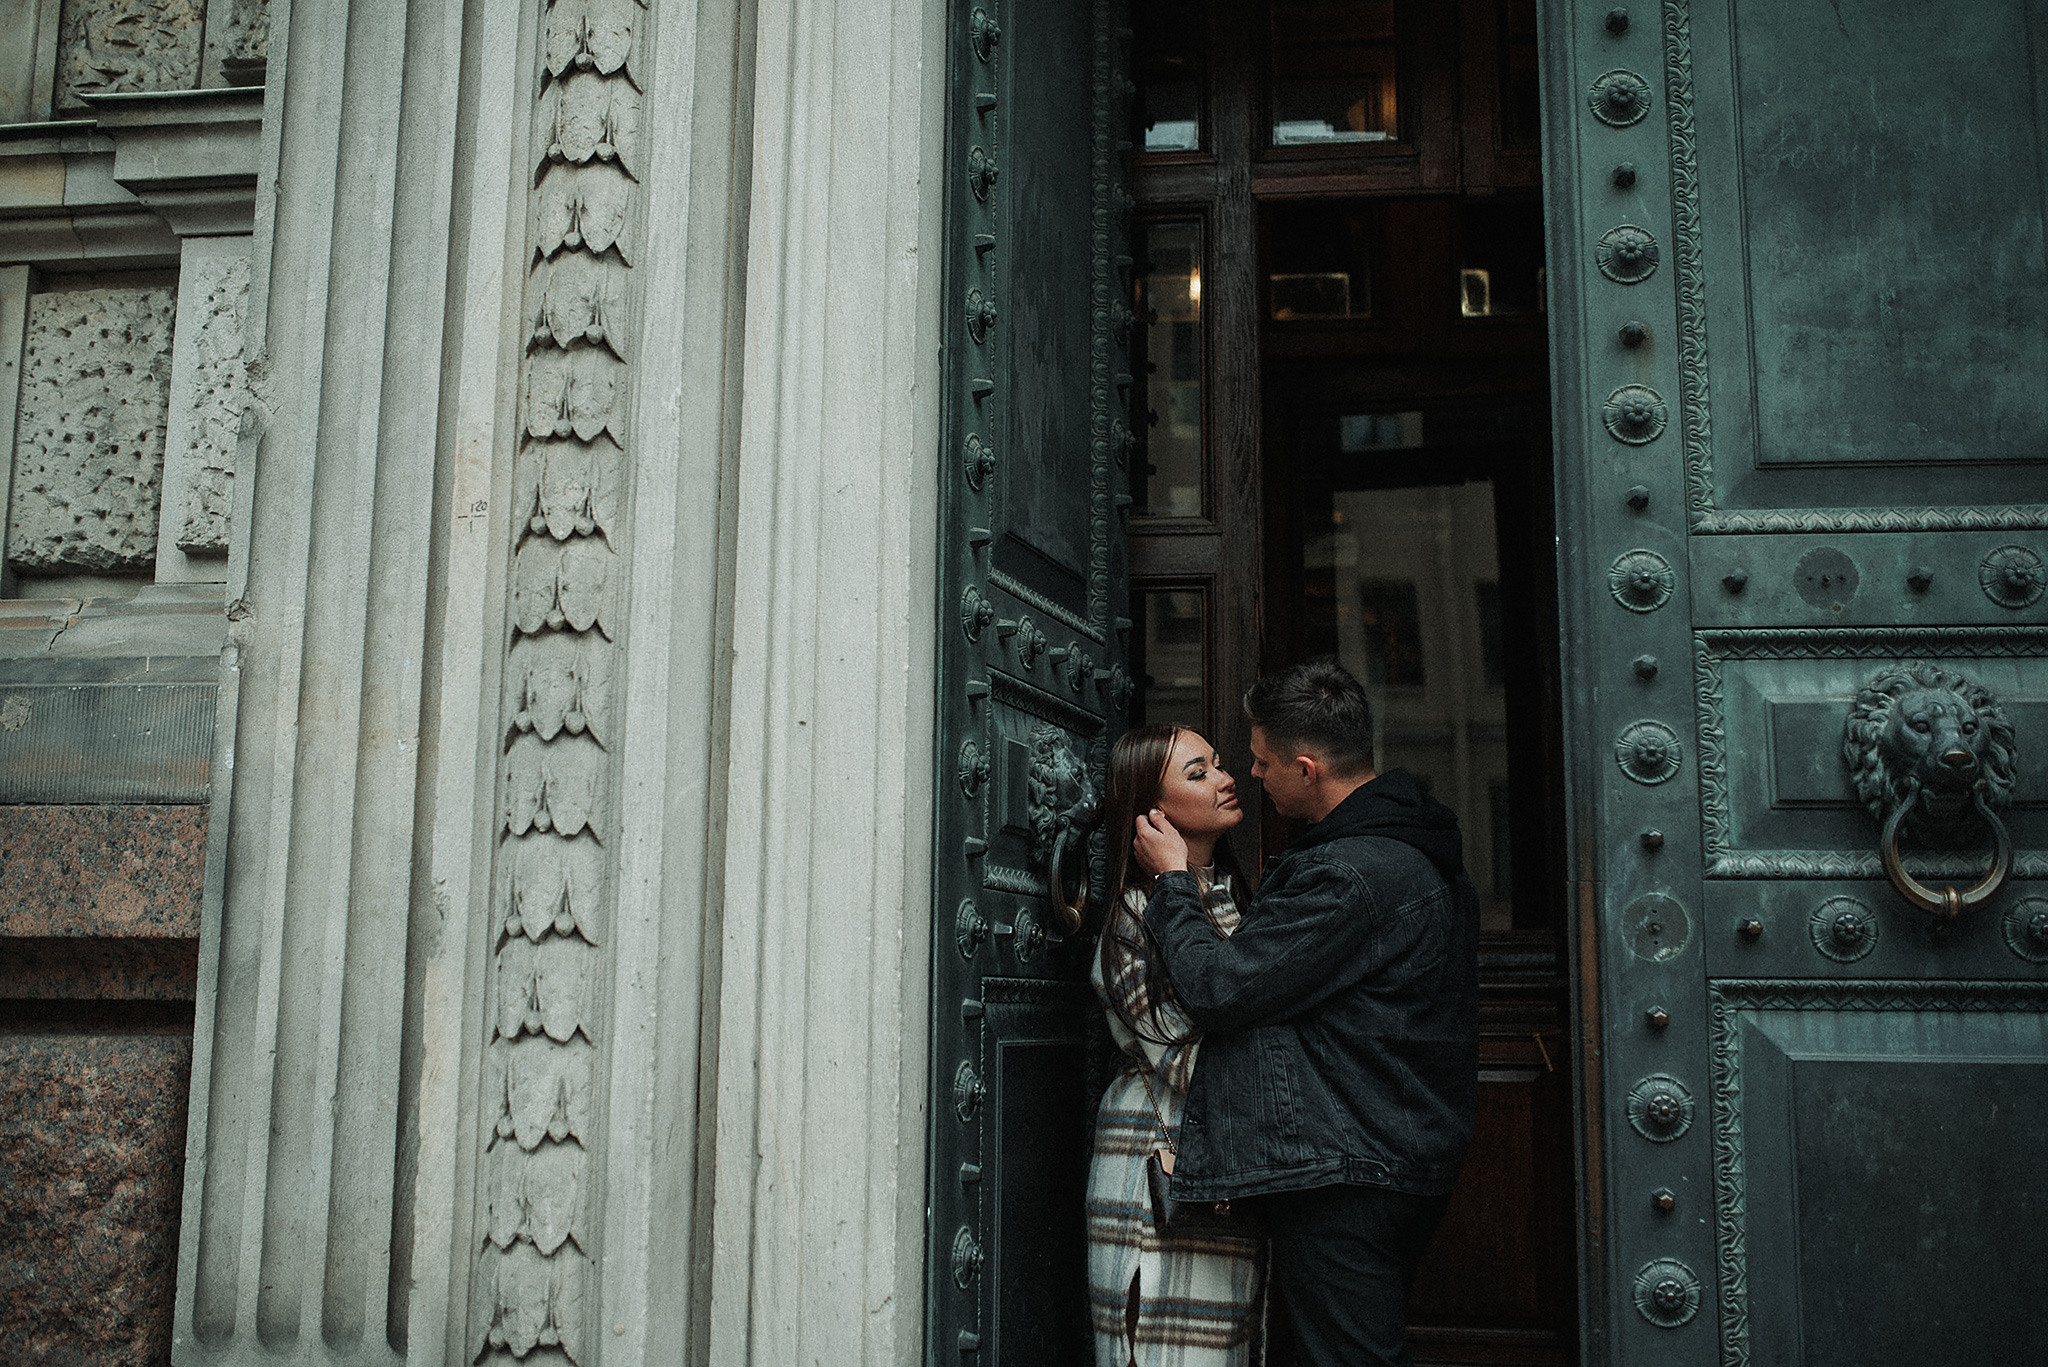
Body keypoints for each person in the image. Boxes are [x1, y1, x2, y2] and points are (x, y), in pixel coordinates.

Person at [1131, 658, 1480, 1367]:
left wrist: (1172, 881)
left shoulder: (1348, 874)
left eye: (1261, 762)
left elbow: (1220, 989)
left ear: (1308, 768)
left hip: (1349, 1170)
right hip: (1390, 1152)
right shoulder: (1415, 846)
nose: (1251, 775)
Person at [1087, 724, 1265, 1367]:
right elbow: (1186, 1057)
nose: (1225, 778)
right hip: (1154, 1163)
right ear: (1154, 814)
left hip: (1230, 1165)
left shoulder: (1243, 901)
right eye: (1199, 773)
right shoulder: (1133, 914)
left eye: (1218, 765)